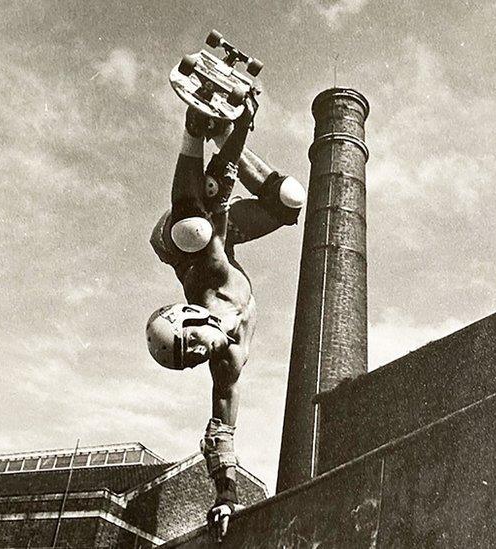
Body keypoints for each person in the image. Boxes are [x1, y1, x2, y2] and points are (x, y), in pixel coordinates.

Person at [146, 96, 305, 540]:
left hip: (180, 235)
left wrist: (239, 130)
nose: (200, 354)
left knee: (193, 230)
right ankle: (216, 130)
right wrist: (225, 496)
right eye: (191, 360)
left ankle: (196, 127)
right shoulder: (227, 363)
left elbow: (210, 199)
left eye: (190, 344)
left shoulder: (209, 281)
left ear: (190, 317)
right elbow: (221, 428)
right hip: (217, 227)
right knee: (289, 200)